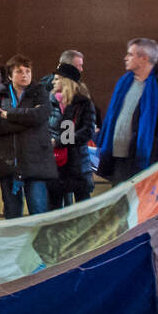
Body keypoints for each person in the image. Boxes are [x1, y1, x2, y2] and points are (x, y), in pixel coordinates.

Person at [96, 38, 158, 185]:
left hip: (143, 162)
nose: (125, 58)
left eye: (130, 54)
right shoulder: (124, 84)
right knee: (121, 206)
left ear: (143, 58)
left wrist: (153, 147)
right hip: (119, 161)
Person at [0, 54, 56, 218]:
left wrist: (10, 115)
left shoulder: (40, 92)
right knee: (12, 213)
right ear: (10, 75)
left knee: (38, 211)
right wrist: (27, 121)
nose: (24, 75)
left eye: (27, 71)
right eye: (19, 71)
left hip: (35, 162)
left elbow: (40, 116)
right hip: (8, 161)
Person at [47, 62, 96, 208]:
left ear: (66, 81)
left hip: (78, 163)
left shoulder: (84, 103)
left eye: (57, 79)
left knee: (82, 208)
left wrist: (58, 141)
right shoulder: (50, 102)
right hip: (56, 163)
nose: (52, 82)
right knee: (54, 208)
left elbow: (87, 131)